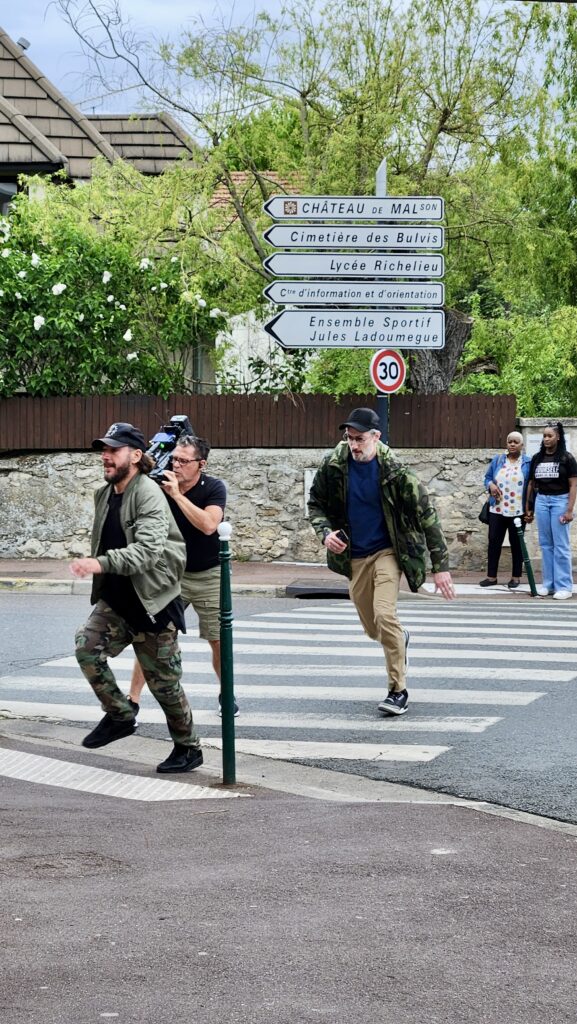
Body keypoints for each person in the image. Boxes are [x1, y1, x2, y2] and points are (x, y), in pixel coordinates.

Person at [70, 422, 203, 773]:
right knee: (87, 647)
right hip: (117, 599)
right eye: (104, 450)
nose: (106, 456)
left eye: (113, 450)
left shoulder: (149, 494)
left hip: (152, 602)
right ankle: (120, 714)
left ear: (136, 455)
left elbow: (145, 552)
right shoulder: (104, 494)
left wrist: (97, 564)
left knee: (164, 686)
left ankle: (189, 748)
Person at [308, 407, 455, 717]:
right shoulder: (334, 464)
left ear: (376, 436)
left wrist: (440, 567)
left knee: (385, 615)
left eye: (360, 439)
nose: (354, 445)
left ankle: (397, 689)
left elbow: (427, 515)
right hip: (355, 556)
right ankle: (399, 640)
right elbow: (315, 503)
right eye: (349, 438)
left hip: (388, 550)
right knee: (372, 626)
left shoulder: (396, 471)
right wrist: (325, 533)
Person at [127, 435, 236, 716]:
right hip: (170, 573)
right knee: (150, 634)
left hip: (209, 573)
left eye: (184, 461)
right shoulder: (158, 485)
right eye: (174, 458)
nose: (176, 465)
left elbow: (210, 525)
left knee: (217, 639)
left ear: (201, 464)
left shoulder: (213, 488)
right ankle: (132, 700)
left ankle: (227, 693)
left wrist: (176, 495)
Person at [525, 421, 577, 600]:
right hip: (542, 501)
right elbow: (531, 484)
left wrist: (569, 510)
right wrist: (528, 508)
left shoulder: (567, 458)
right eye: (544, 436)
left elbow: (573, 484)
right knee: (546, 545)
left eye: (549, 436)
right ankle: (548, 584)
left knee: (561, 545)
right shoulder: (537, 458)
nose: (546, 439)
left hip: (560, 501)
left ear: (558, 437)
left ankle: (564, 586)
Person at [479, 431, 531, 589]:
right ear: (506, 444)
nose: (512, 444)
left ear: (522, 445)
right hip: (497, 509)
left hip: (518, 511)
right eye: (510, 441)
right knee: (494, 542)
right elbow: (487, 478)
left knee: (517, 544)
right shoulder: (498, 460)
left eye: (516, 442)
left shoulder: (528, 462)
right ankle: (491, 577)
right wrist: (491, 485)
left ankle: (515, 577)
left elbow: (532, 485)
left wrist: (530, 509)